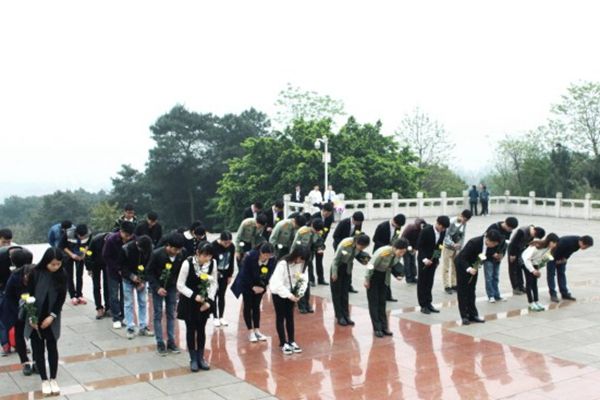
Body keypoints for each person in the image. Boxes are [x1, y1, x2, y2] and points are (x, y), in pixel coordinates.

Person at [24, 247, 68, 396]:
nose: (56, 267)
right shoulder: (35, 273)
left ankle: (53, 378)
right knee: (38, 349)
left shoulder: (62, 274)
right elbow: (27, 295)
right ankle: (44, 379)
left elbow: (61, 297)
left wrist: (53, 316)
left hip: (51, 317)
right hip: (36, 315)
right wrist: (31, 316)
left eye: (58, 264)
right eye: (53, 264)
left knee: (52, 346)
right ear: (46, 262)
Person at [176, 243, 217, 371]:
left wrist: (209, 300)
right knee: (190, 328)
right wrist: (194, 296)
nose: (207, 259)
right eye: (204, 255)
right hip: (189, 301)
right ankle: (193, 358)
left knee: (201, 329)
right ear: (198, 253)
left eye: (209, 256)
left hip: (204, 302)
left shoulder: (212, 263)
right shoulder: (187, 263)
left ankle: (201, 357)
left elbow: (214, 282)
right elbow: (180, 285)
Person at [147, 233, 186, 355]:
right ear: (167, 246)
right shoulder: (157, 254)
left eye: (179, 249)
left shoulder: (181, 254)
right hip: (158, 287)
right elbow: (149, 272)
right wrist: (157, 288)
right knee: (158, 314)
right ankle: (160, 342)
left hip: (172, 288)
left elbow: (181, 272)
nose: (177, 252)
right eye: (175, 249)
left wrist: (179, 287)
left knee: (171, 314)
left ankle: (171, 341)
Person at [269, 245, 310, 355]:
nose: (300, 261)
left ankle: (291, 341)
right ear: (295, 255)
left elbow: (304, 280)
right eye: (299, 258)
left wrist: (299, 294)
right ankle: (283, 343)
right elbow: (277, 283)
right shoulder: (283, 264)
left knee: (290, 317)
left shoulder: (303, 265)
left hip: (292, 293)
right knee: (280, 317)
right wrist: (288, 295)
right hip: (279, 293)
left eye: (303, 260)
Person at [230, 243, 275, 343]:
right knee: (248, 306)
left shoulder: (272, 259)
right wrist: (252, 287)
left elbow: (269, 273)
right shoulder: (250, 256)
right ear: (261, 252)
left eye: (270, 255)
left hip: (260, 285)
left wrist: (263, 287)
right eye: (266, 255)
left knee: (256, 306)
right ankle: (250, 331)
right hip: (247, 284)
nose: (267, 257)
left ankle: (257, 330)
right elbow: (244, 274)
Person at [455, 230, 502, 325]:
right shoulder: (474, 242)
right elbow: (462, 258)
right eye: (493, 244)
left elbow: (486, 255)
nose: (493, 246)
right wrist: (468, 269)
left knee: (471, 290)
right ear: (488, 239)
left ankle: (473, 315)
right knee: (463, 291)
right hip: (463, 266)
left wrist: (494, 256)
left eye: (495, 245)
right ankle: (464, 316)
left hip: (474, 266)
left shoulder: (492, 245)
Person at [365, 238, 408, 337]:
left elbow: (391, 265)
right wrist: (367, 279)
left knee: (382, 302)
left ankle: (384, 327)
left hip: (384, 277)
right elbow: (371, 265)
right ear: (394, 247)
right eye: (400, 252)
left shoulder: (397, 254)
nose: (401, 254)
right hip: (374, 276)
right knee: (374, 303)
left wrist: (397, 275)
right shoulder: (383, 252)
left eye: (403, 252)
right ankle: (377, 328)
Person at [0, 249, 33, 367]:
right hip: (27, 308)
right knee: (32, 334)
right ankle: (32, 360)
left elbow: (8, 295)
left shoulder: (13, 276)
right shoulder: (34, 272)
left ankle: (24, 361)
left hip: (17, 309)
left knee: (19, 334)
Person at [330, 233, 371, 326]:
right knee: (337, 293)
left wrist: (364, 261)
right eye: (361, 246)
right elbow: (335, 260)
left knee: (345, 293)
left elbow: (355, 256)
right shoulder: (345, 244)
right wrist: (334, 273)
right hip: (338, 267)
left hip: (347, 269)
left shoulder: (359, 247)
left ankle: (346, 315)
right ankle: (339, 316)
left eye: (364, 247)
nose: (361, 249)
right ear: (356, 241)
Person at [119, 235, 154, 339]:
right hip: (128, 279)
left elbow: (150, 267)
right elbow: (121, 267)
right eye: (141, 249)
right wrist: (131, 276)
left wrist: (143, 281)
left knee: (143, 302)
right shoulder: (126, 249)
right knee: (128, 303)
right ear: (137, 244)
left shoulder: (149, 249)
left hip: (142, 279)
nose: (142, 252)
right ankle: (130, 327)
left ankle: (143, 326)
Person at [102, 221, 136, 329]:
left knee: (125, 295)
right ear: (121, 231)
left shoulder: (134, 239)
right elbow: (106, 256)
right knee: (114, 294)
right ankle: (116, 318)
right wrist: (117, 269)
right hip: (113, 271)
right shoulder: (111, 240)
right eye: (126, 235)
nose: (128, 238)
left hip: (126, 271)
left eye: (130, 235)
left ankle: (124, 316)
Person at [290, 218, 325, 313]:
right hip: (299, 259)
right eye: (315, 229)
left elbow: (320, 243)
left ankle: (307, 303)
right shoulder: (302, 231)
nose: (317, 232)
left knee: (307, 281)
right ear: (312, 225)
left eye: (318, 231)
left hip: (309, 258)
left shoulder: (318, 232)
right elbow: (294, 246)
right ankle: (301, 305)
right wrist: (293, 259)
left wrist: (320, 248)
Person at [417, 216, 450, 314]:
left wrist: (437, 258)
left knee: (430, 281)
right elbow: (420, 245)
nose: (443, 230)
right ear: (438, 223)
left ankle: (429, 303)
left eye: (444, 229)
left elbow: (439, 246)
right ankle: (423, 305)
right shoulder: (426, 231)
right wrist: (424, 259)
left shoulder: (443, 232)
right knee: (422, 282)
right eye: (442, 227)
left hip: (433, 260)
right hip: (424, 260)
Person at [547, 235, 594, 303]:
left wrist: (564, 259)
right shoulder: (566, 242)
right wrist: (555, 261)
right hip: (551, 256)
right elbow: (553, 250)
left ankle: (564, 293)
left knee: (561, 274)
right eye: (586, 247)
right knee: (551, 275)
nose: (585, 248)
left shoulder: (578, 245)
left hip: (561, 257)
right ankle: (553, 294)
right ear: (581, 242)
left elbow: (569, 252)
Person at [484, 217, 519, 303]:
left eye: (511, 229)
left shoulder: (508, 231)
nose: (510, 230)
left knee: (496, 277)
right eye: (509, 228)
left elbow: (506, 244)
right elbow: (485, 242)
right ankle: (490, 296)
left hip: (498, 257)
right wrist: (492, 253)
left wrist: (502, 255)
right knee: (489, 277)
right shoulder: (493, 227)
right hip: (489, 256)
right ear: (505, 223)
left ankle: (497, 295)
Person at [372, 213, 406, 301]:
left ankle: (387, 295)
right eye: (397, 225)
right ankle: (378, 294)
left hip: (391, 252)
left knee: (388, 272)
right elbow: (375, 239)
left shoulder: (398, 227)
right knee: (379, 274)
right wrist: (386, 247)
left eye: (399, 226)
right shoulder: (382, 226)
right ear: (394, 220)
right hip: (380, 253)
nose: (398, 227)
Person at [521, 233, 559, 311]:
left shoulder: (548, 248)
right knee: (529, 283)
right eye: (554, 243)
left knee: (535, 283)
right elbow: (526, 259)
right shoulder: (536, 246)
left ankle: (536, 301)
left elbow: (541, 260)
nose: (554, 245)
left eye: (556, 243)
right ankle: (531, 303)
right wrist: (533, 270)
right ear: (549, 241)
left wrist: (537, 270)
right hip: (526, 263)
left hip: (534, 263)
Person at [508, 225, 546, 295]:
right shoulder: (522, 231)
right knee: (513, 269)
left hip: (521, 249)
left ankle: (521, 286)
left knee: (520, 267)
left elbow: (528, 244)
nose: (534, 237)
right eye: (534, 235)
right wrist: (512, 255)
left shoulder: (532, 234)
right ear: (534, 230)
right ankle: (515, 288)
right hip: (513, 249)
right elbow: (514, 243)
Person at [333, 211, 365, 294]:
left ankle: (348, 285)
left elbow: (357, 236)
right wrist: (342, 247)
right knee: (340, 264)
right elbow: (335, 236)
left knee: (349, 264)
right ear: (353, 219)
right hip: (341, 246)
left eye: (360, 223)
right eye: (357, 222)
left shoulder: (359, 224)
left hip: (351, 247)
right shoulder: (344, 222)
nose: (358, 224)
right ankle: (338, 283)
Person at [441, 210, 472, 294]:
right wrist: (452, 244)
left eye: (466, 220)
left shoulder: (464, 223)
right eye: (464, 219)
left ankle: (454, 284)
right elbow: (445, 235)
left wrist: (460, 246)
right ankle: (447, 285)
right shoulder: (451, 222)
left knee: (455, 266)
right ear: (460, 215)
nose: (464, 221)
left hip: (457, 248)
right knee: (446, 267)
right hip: (448, 247)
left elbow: (463, 235)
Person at [59, 224, 92, 305]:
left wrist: (84, 254)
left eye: (83, 236)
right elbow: (62, 246)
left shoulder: (89, 234)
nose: (81, 238)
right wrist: (72, 255)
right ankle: (73, 296)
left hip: (80, 254)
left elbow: (88, 245)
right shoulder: (68, 233)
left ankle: (79, 294)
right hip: (68, 254)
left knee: (79, 275)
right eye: (80, 236)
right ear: (76, 233)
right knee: (69, 275)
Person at [211, 231, 235, 327]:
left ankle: (221, 316)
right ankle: (215, 317)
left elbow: (232, 260)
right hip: (214, 274)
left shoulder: (232, 246)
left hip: (225, 273)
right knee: (214, 295)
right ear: (221, 240)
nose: (227, 245)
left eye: (229, 242)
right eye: (225, 243)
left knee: (222, 295)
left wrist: (230, 275)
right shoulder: (213, 246)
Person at [84, 232, 111, 319]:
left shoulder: (113, 240)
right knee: (96, 286)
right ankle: (99, 308)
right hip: (95, 263)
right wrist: (89, 268)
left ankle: (108, 307)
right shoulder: (96, 240)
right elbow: (88, 254)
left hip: (107, 263)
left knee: (107, 285)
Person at [311, 202, 334, 286]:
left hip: (320, 241)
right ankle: (311, 280)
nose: (328, 215)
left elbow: (326, 232)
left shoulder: (330, 218)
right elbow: (311, 231)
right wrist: (314, 244)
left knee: (319, 260)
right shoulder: (315, 216)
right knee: (310, 260)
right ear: (323, 210)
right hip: (311, 241)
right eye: (327, 213)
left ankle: (321, 279)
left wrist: (321, 244)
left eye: (330, 214)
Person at [400, 218, 426, 284]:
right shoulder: (410, 228)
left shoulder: (422, 230)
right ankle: (408, 278)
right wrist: (409, 248)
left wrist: (415, 249)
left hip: (413, 247)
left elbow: (420, 240)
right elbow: (403, 238)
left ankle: (414, 277)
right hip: (405, 247)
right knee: (407, 263)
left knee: (413, 262)